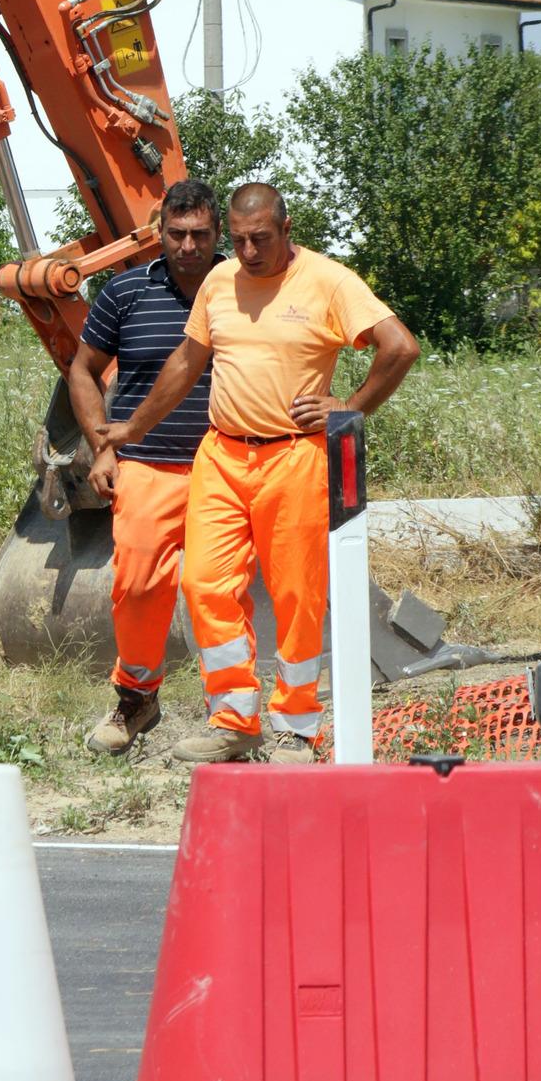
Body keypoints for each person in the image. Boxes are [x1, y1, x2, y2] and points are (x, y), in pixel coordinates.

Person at [100, 182, 419, 764]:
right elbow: (187, 361)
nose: (248, 253)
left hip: (295, 457)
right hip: (221, 456)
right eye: (241, 240)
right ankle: (234, 719)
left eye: (261, 240)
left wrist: (351, 406)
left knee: (296, 595)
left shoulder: (328, 281)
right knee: (203, 585)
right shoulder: (221, 282)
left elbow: (399, 347)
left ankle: (296, 727)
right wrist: (132, 427)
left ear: (286, 228)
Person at [69, 180, 223, 755]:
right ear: (158, 232)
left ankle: (228, 716)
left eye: (200, 235)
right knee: (135, 584)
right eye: (177, 234)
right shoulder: (125, 292)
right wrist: (101, 447)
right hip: (145, 465)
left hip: (224, 465)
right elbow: (82, 371)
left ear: (218, 235)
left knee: (217, 591)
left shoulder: (239, 292)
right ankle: (137, 699)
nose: (188, 246)